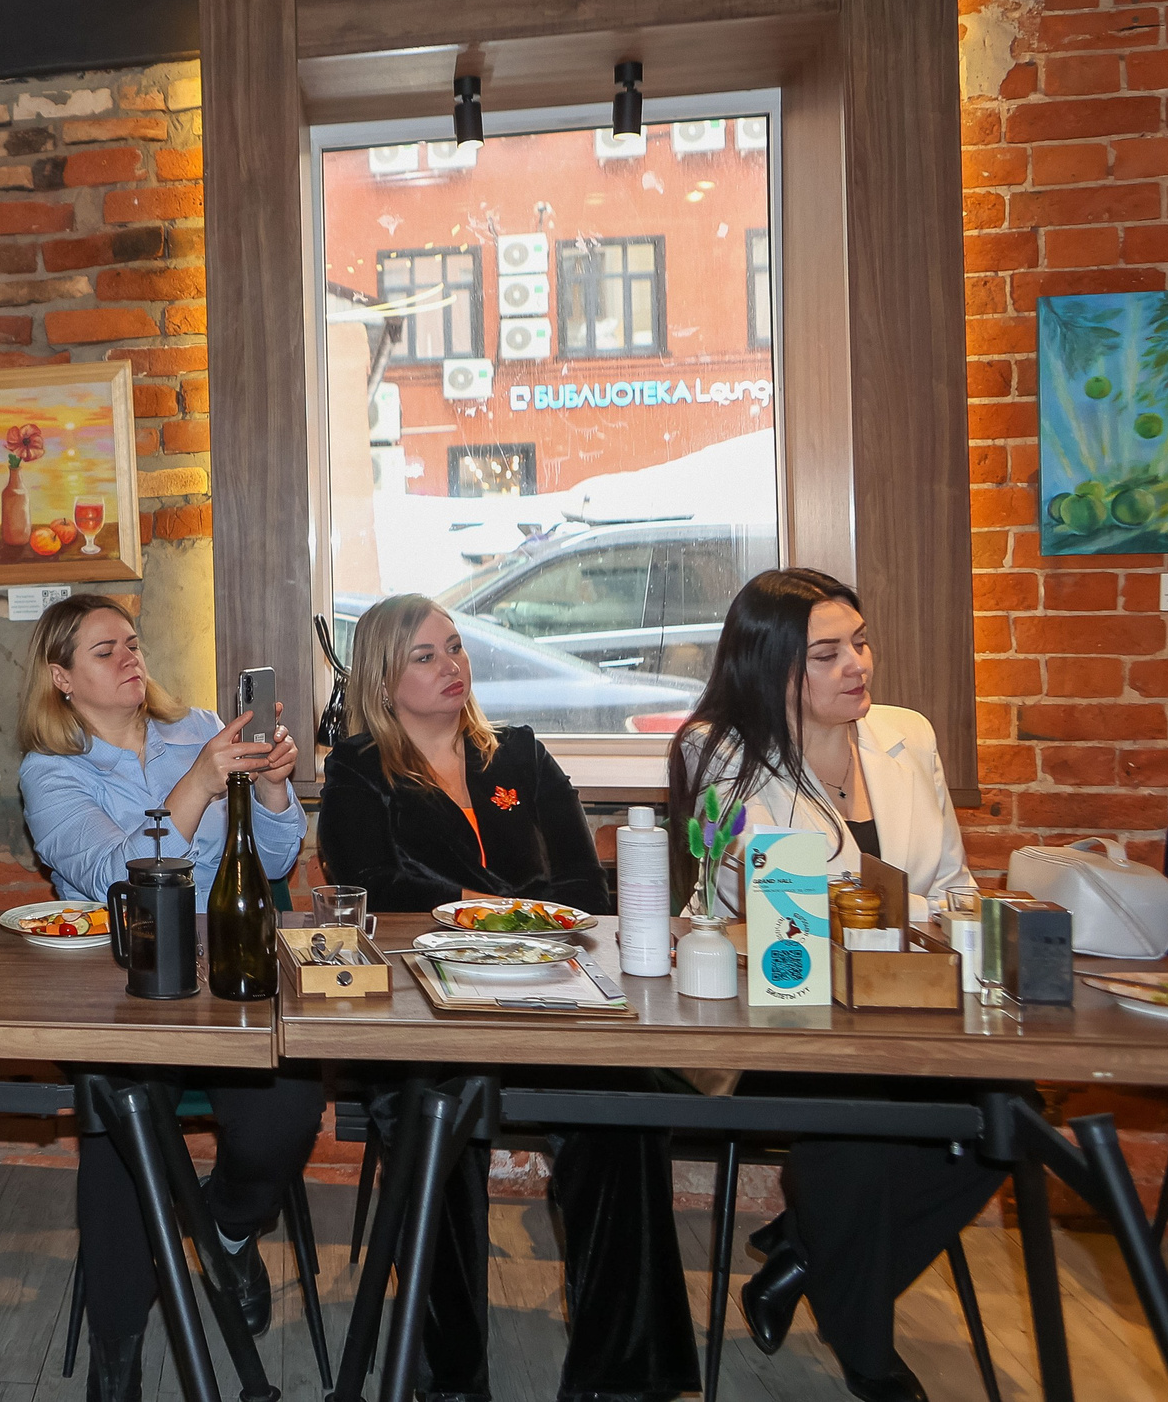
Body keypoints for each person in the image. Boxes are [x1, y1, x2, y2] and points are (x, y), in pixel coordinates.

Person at [317, 594, 698, 1402]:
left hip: (551, 993)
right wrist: (500, 906)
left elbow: (581, 884)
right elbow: (373, 884)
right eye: (426, 654)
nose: (452, 664)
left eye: (455, 647)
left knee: (624, 1110)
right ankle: (450, 1381)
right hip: (426, 1003)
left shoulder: (518, 755)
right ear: (383, 679)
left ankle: (621, 1378)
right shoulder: (356, 766)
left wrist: (499, 911)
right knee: (435, 1111)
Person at [677, 568, 997, 1402]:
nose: (858, 663)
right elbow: (775, 895)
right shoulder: (719, 748)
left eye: (859, 641)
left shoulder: (907, 735)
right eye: (827, 652)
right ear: (772, 666)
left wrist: (904, 909)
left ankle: (803, 1256)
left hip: (910, 995)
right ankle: (868, 1352)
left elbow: (958, 889)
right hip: (780, 1004)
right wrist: (899, 906)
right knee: (858, 1123)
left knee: (1011, 1119)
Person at [15, 594, 317, 1402]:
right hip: (122, 982)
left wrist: (278, 788)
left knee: (290, 1105)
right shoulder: (52, 772)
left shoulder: (201, 726)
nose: (130, 658)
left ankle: (224, 1233)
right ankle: (119, 1353)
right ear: (62, 677)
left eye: (133, 642)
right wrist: (201, 779)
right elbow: (116, 875)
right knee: (125, 1119)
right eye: (105, 649)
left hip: (228, 970)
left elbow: (279, 858)